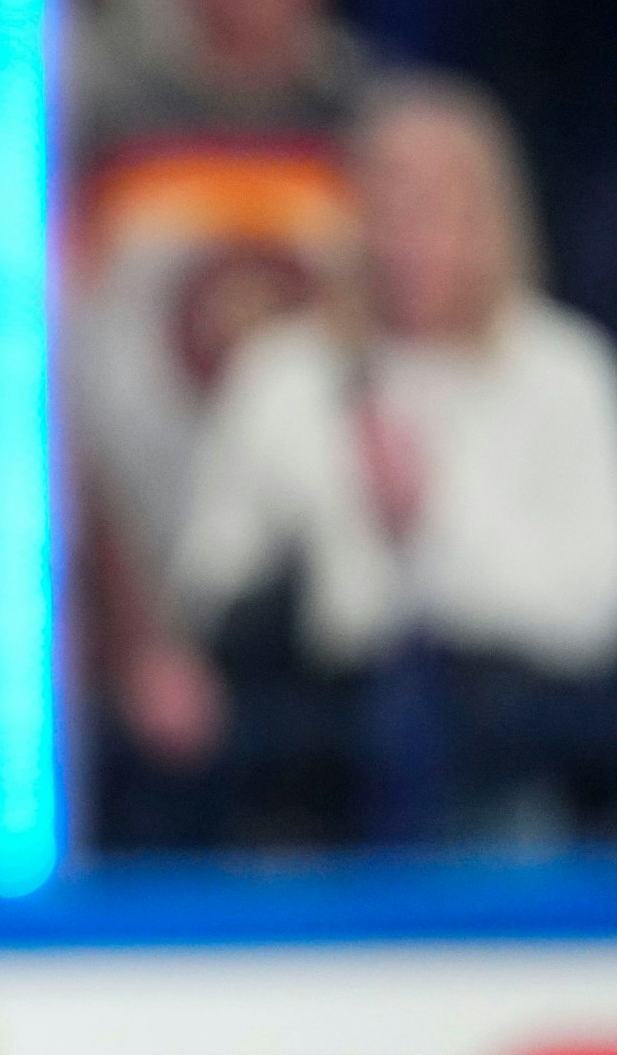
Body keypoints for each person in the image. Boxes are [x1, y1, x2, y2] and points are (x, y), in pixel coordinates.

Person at [170, 74, 617, 844]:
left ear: (492, 215)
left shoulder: (562, 374)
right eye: (389, 201)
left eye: (438, 204)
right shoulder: (285, 375)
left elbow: (592, 603)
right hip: (319, 766)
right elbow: (207, 578)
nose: (409, 232)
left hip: (510, 760)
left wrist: (432, 520)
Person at [71, 0, 371, 845]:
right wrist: (127, 627)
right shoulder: (102, 134)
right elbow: (65, 393)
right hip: (146, 605)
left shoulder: (373, 128)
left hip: (341, 621)